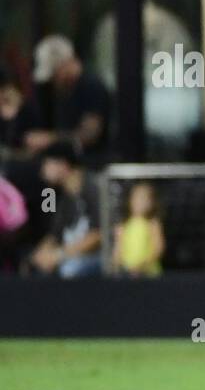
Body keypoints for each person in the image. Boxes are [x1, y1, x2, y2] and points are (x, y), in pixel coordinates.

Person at [29, 34, 112, 165]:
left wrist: (50, 139)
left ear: (65, 64)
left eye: (55, 73)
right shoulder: (64, 91)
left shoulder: (92, 86)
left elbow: (89, 135)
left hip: (94, 164)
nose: (53, 81)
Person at [29, 142, 102, 278]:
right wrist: (40, 254)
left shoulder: (93, 188)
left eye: (46, 164)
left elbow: (98, 235)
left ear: (63, 165)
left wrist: (58, 255)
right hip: (70, 256)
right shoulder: (62, 196)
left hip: (97, 258)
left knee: (70, 270)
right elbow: (55, 234)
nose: (42, 170)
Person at [112, 182, 165, 277]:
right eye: (137, 198)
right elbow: (118, 250)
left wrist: (143, 265)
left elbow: (159, 248)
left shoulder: (152, 224)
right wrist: (116, 267)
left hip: (148, 273)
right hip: (128, 273)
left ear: (152, 202)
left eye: (144, 198)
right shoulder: (124, 226)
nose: (140, 202)